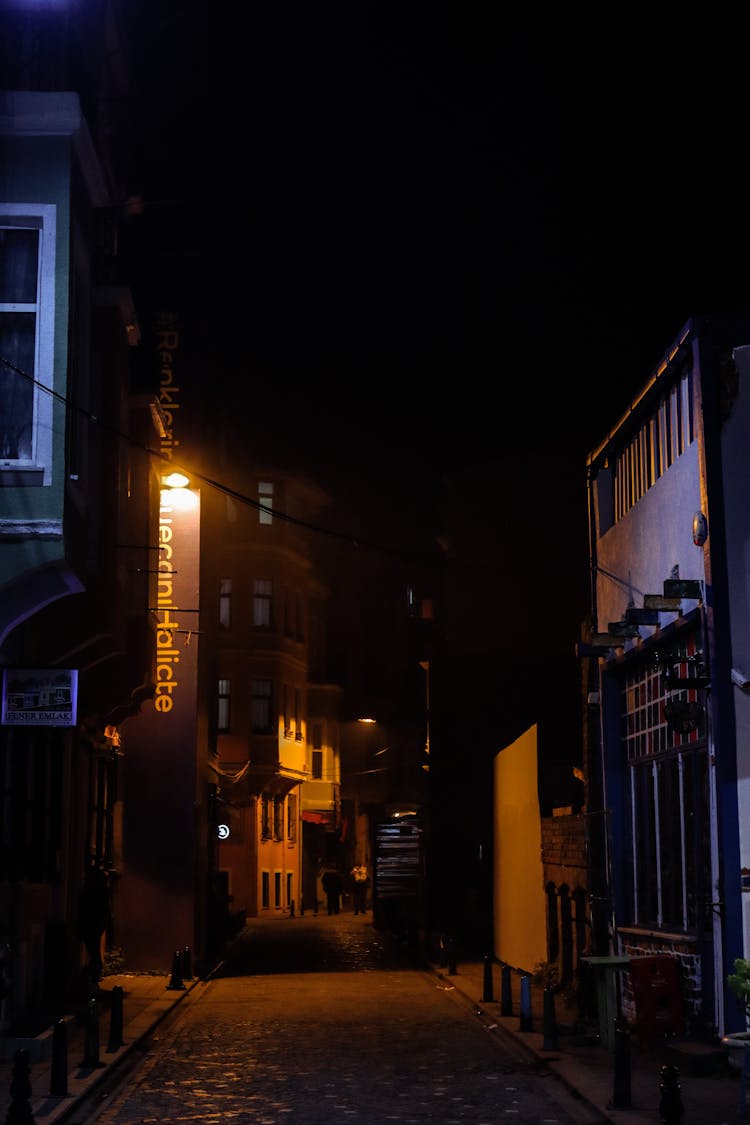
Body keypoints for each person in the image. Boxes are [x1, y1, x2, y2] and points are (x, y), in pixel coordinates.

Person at [76, 861, 109, 987]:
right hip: (95, 926)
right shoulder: (101, 889)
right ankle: (91, 977)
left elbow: (84, 909)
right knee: (94, 953)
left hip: (90, 925)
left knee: (93, 953)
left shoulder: (91, 889)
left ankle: (87, 977)